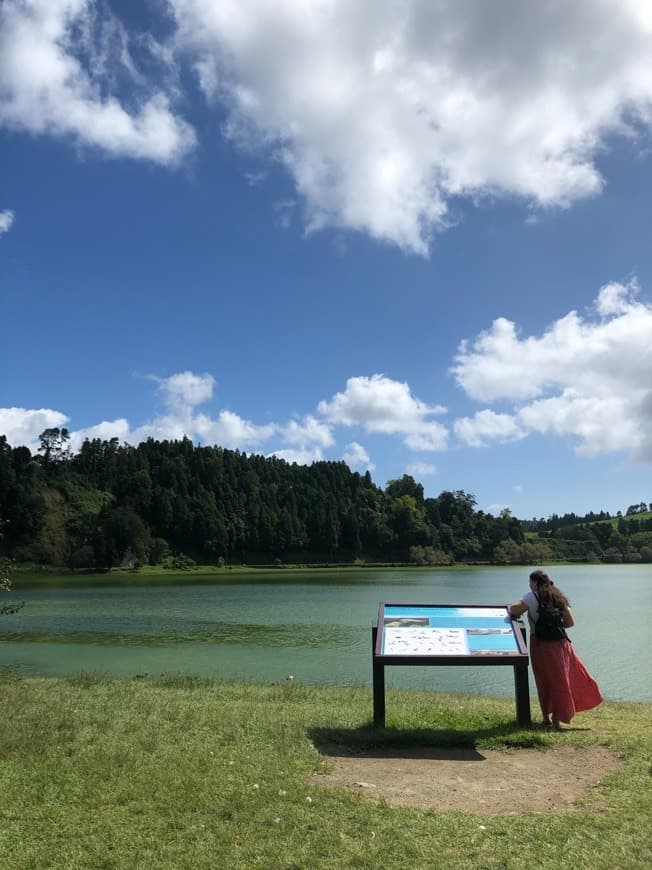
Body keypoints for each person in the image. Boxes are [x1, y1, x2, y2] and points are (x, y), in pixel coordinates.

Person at [509, 569, 602, 729]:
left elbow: (514, 610)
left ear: (535, 582)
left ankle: (547, 717)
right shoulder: (558, 596)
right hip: (561, 644)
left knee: (543, 679)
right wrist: (554, 627)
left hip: (540, 644)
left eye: (530, 582)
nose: (529, 585)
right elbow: (570, 622)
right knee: (563, 679)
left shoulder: (531, 596)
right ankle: (558, 718)